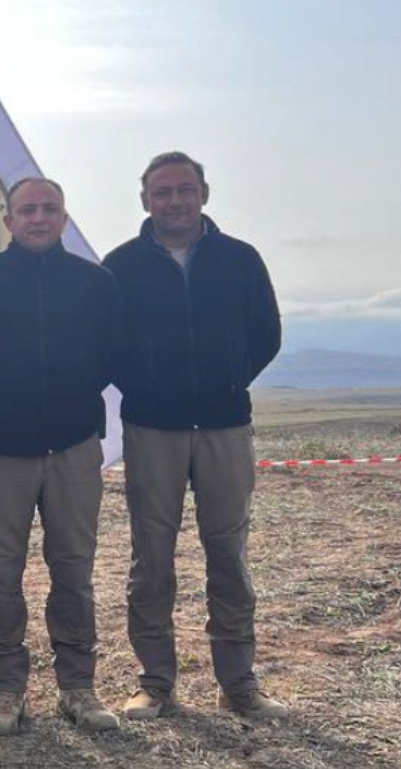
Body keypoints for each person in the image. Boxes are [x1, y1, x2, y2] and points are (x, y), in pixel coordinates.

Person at [103, 151, 288, 721]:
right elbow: (107, 344)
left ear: (204, 194)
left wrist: (228, 380)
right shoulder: (120, 265)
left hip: (224, 424)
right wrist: (149, 387)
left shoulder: (240, 259)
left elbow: (266, 334)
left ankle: (239, 683)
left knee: (228, 554)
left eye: (185, 190)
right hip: (151, 427)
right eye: (162, 192)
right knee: (151, 559)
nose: (174, 201)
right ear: (145, 201)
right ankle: (155, 683)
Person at [0, 181, 122, 736]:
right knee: (0, 574)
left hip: (74, 447)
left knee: (74, 571)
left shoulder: (96, 283)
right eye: (28, 209)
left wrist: (72, 400)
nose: (39, 218)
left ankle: (78, 686)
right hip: (1, 450)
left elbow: (112, 355)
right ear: (9, 219)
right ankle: (5, 688)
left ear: (64, 217)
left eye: (50, 209)